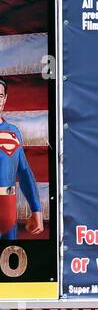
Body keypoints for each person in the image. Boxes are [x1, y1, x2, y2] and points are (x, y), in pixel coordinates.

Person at [0, 78, 44, 239]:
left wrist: (36, 209)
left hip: (8, 209)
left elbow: (24, 172)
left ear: (4, 98)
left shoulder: (14, 132)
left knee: (10, 258)